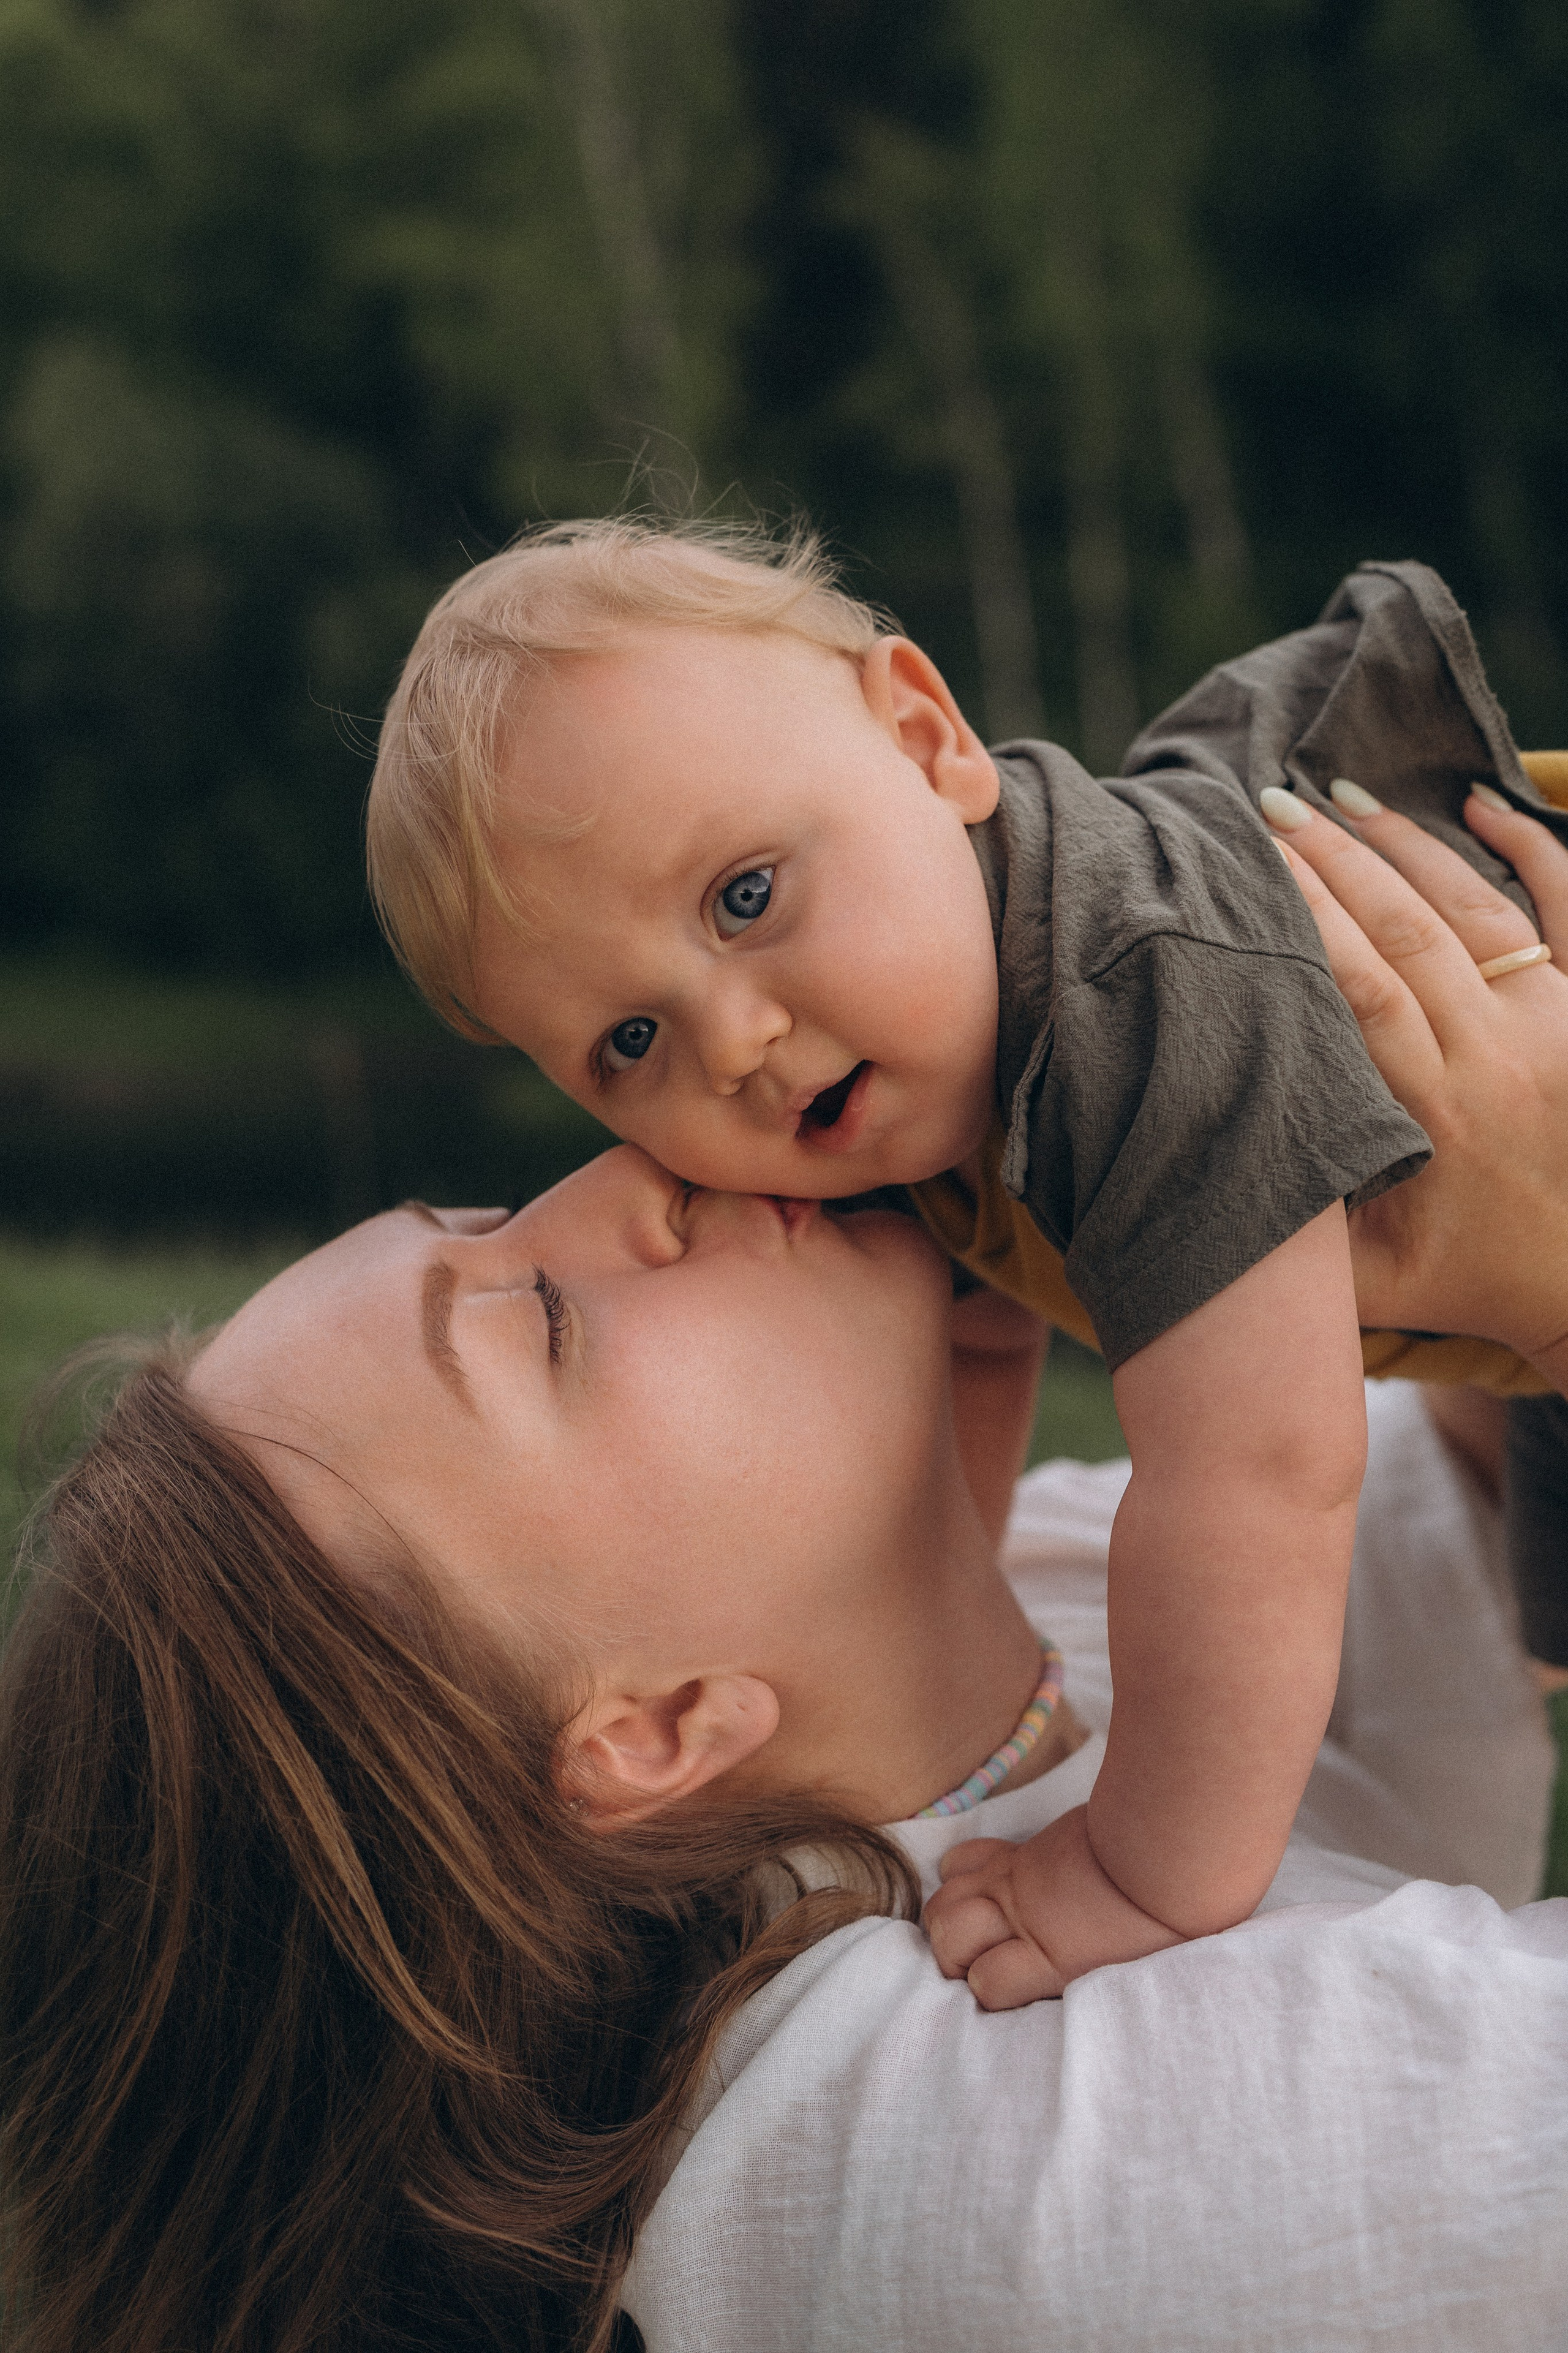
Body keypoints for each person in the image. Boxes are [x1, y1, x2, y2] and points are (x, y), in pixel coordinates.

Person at [4, 794, 1567, 2353]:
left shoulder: (1021, 1633)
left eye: (489, 1213)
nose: (626, 1173)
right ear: (647, 1730)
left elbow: (1455, 1505)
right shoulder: (1045, 2171)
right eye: (540, 1316)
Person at [363, 515, 1568, 2001]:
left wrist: (1139, 1867)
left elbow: (1257, 1476)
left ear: (926, 738)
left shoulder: (1133, 998)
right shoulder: (902, 1068)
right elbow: (981, 1326)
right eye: (629, 1041)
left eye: (745, 895)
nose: (734, 1042)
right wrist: (947, 1571)